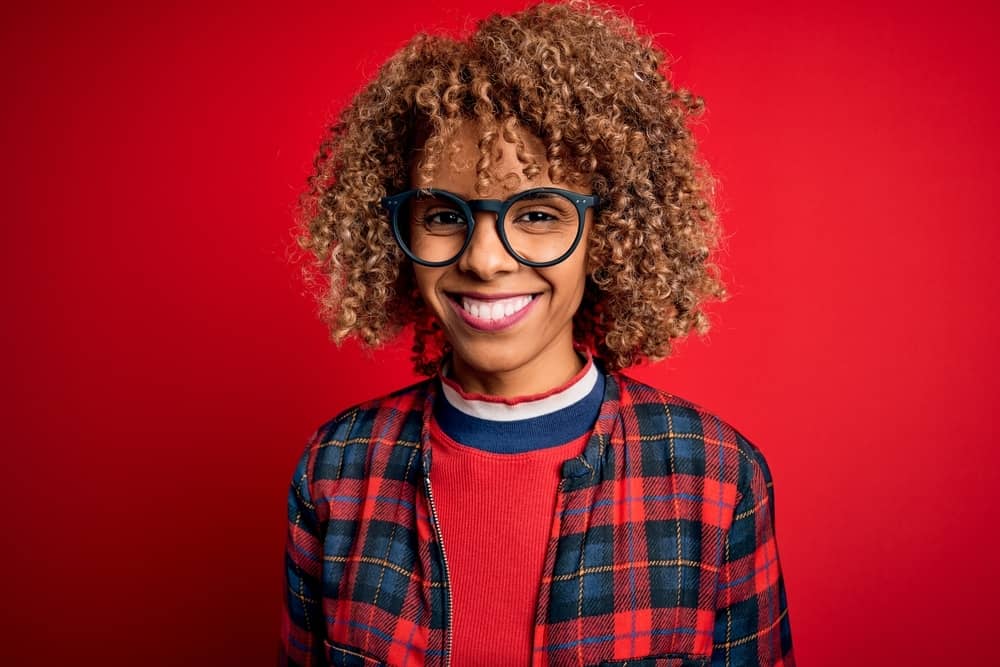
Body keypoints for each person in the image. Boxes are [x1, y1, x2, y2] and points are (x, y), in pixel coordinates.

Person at [280, 2, 795, 665]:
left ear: (606, 234)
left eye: (539, 213)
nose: (485, 258)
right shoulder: (336, 470)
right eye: (443, 214)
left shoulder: (716, 479)